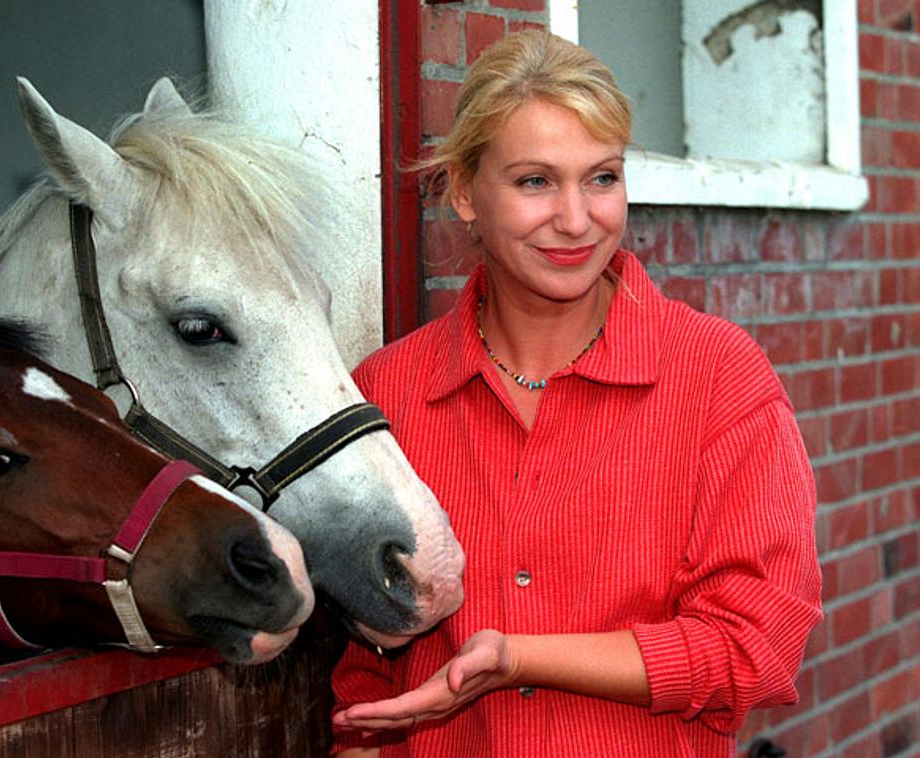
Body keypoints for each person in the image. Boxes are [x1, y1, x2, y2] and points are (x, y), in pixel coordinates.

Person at [330, 29, 822, 757]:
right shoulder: (388, 392)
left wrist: (522, 660)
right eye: (535, 181)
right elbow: (365, 682)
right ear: (463, 192)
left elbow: (757, 646)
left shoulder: (718, 376)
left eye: (602, 178)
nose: (575, 218)